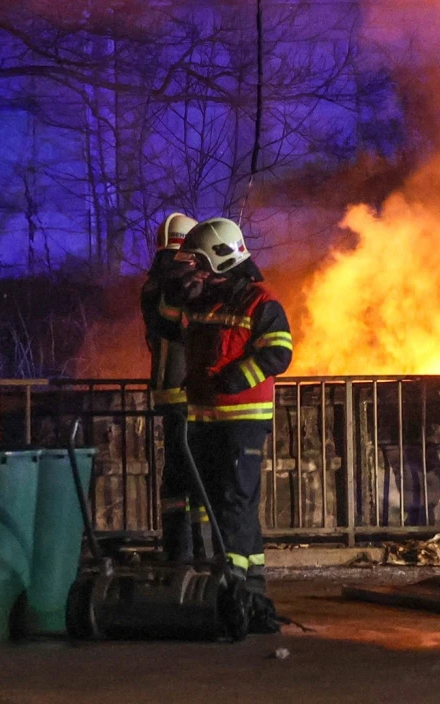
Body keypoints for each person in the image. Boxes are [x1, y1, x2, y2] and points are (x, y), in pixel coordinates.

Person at [166, 217, 293, 634]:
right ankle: (226, 586)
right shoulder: (203, 300)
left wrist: (236, 378)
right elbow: (164, 320)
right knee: (204, 504)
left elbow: (279, 354)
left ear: (222, 259)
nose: (196, 271)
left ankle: (240, 589)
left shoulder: (261, 303)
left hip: (243, 424)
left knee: (235, 505)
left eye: (200, 263)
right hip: (203, 420)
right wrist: (174, 285)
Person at [141, 212, 205, 562]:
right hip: (185, 393)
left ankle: (182, 551)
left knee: (180, 477)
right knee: (192, 476)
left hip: (175, 393)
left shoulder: (155, 283)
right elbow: (181, 328)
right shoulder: (168, 287)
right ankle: (192, 552)